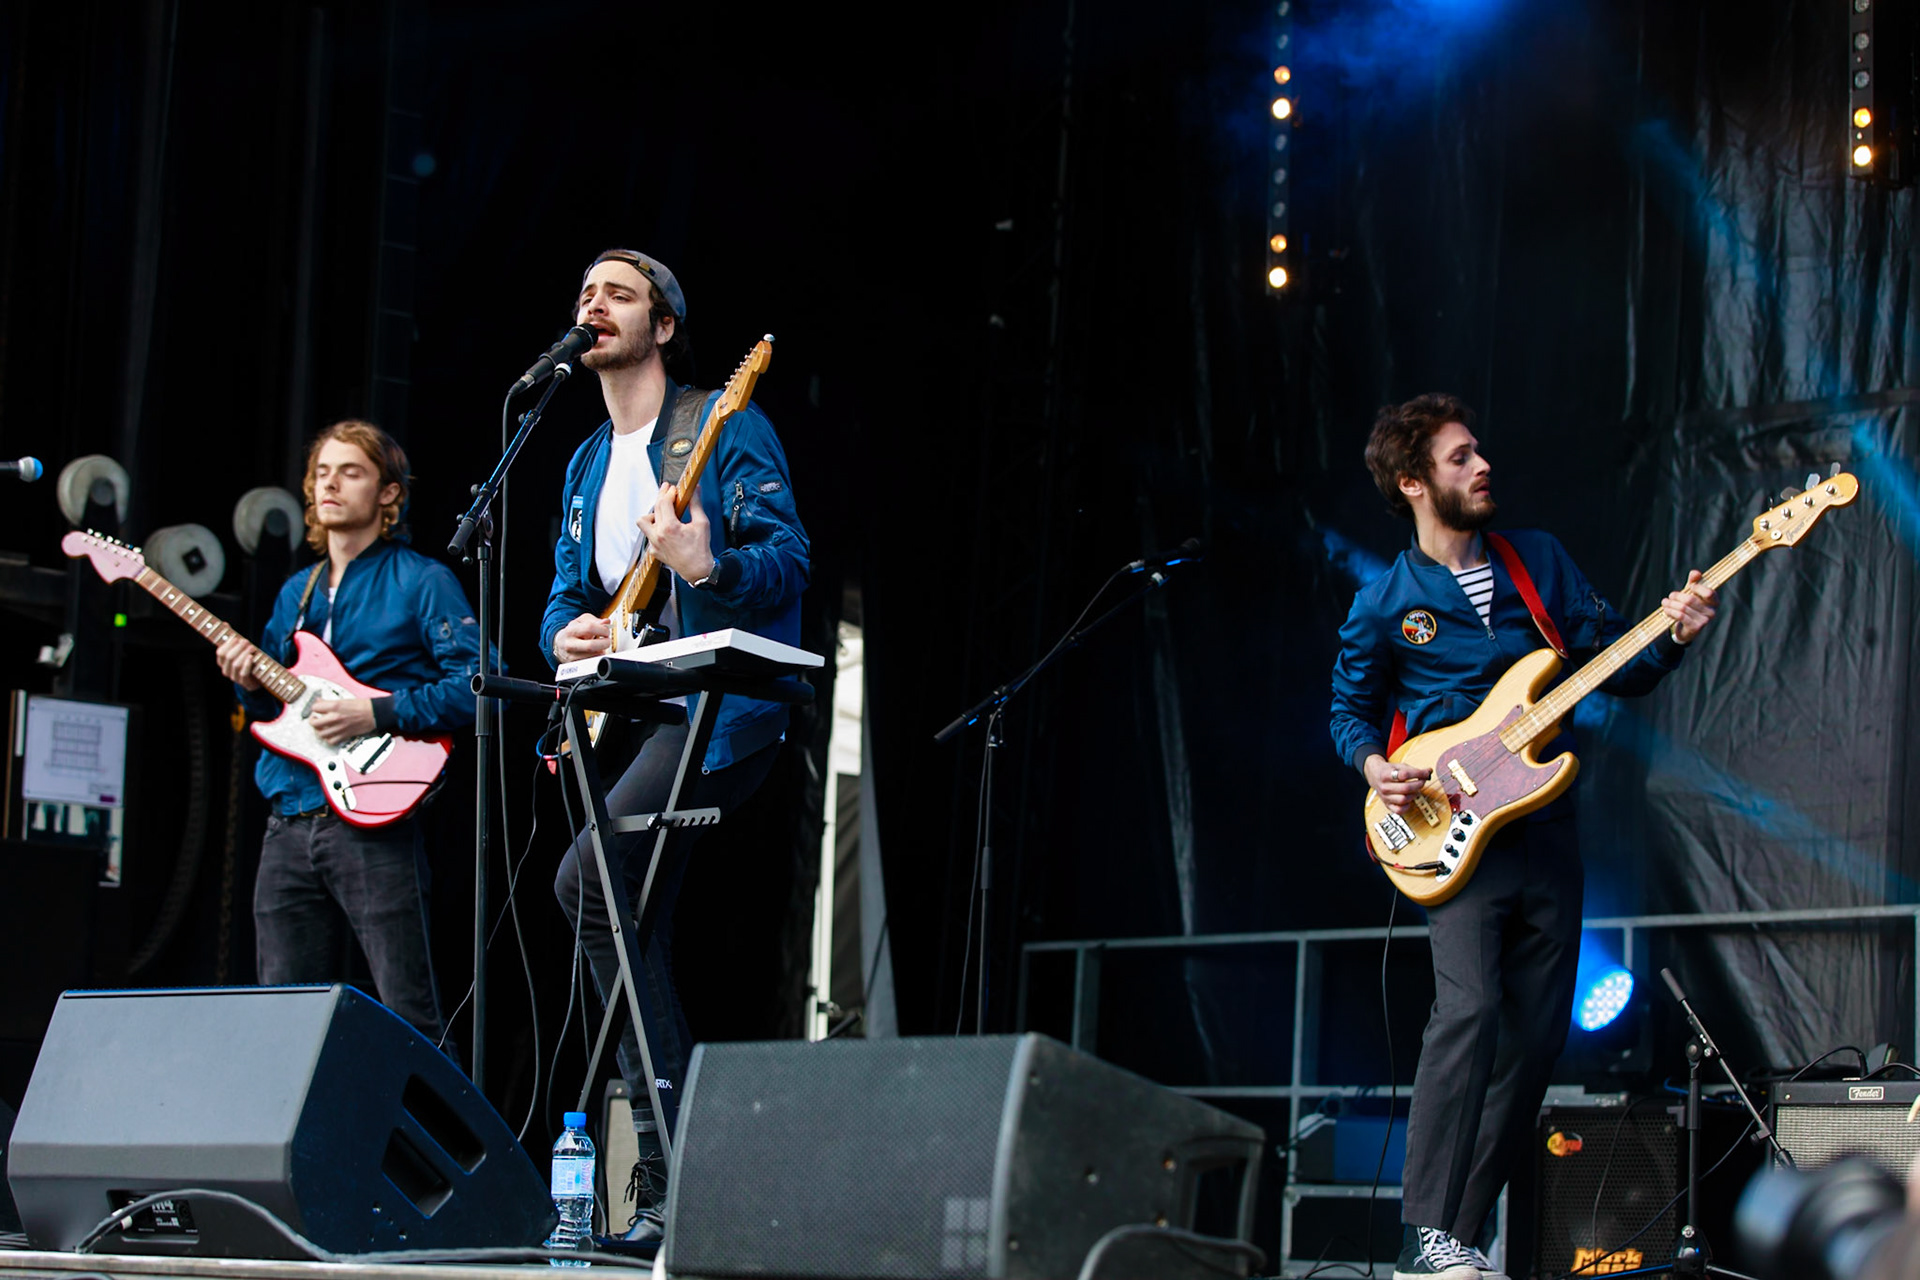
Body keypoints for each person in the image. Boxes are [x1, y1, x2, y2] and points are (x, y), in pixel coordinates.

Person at [1329, 394, 1718, 1280]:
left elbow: (1616, 659)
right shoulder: (1385, 601)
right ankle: (1423, 1230)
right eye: (1462, 458)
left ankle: (1456, 1239)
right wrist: (1370, 768)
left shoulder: (1535, 562)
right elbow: (1348, 710)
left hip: (1545, 828)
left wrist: (1674, 636)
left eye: (1479, 452)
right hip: (1454, 838)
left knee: (1538, 1038)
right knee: (1467, 1011)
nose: (1482, 466)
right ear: (1414, 483)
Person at [541, 248, 809, 1236]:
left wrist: (709, 561)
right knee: (615, 909)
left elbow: (787, 560)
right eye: (584, 292)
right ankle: (674, 1182)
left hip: (722, 713)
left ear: (661, 327)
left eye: (617, 292)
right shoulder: (581, 460)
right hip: (633, 720)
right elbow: (570, 597)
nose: (592, 304)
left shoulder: (722, 424)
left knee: (588, 885)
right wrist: (561, 632)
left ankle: (673, 1163)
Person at [215, 420, 484, 1048]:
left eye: (351, 471)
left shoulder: (421, 581)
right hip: (289, 817)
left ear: (389, 494)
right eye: (321, 473)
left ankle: (432, 1144)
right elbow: (277, 704)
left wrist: (378, 714)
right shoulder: (296, 590)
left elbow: (478, 684)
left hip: (376, 822)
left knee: (408, 1016)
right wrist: (246, 682)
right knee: (281, 1022)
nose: (330, 483)